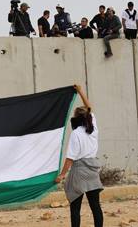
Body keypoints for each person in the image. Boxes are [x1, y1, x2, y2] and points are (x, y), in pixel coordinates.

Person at [55, 85, 103, 227]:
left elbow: (70, 158)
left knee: (75, 207)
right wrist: (81, 91)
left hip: (79, 171)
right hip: (93, 171)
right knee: (95, 206)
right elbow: (89, 108)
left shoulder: (76, 134)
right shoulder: (93, 129)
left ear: (76, 118)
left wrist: (62, 175)